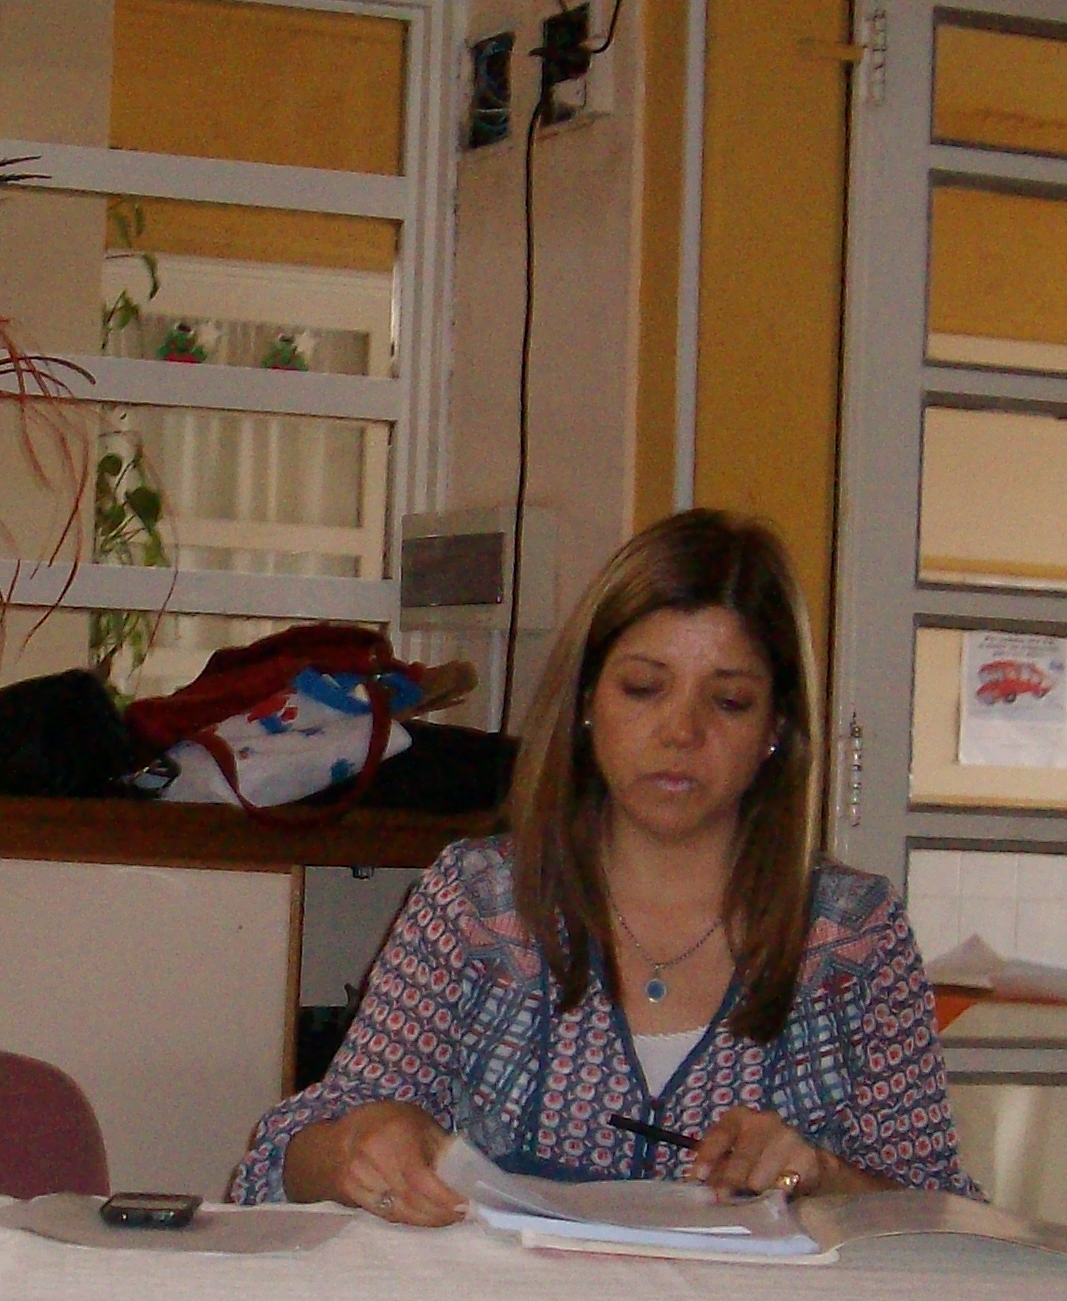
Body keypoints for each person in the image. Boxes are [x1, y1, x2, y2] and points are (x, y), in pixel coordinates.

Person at [234, 508, 974, 1221]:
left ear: (777, 728)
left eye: (729, 701)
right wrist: (357, 1149)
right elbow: (283, 1164)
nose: (681, 731)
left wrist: (821, 1177)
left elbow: (940, 1216)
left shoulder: (854, 935)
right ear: (587, 702)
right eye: (643, 689)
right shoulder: (477, 901)